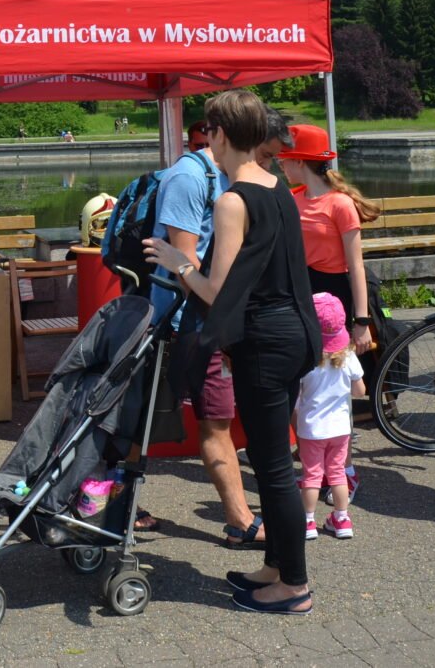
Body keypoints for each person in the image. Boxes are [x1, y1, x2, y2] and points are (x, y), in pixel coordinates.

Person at [145, 89, 320, 615]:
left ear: (220, 134)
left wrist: (178, 262)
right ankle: (276, 566)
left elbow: (216, 290)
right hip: (296, 332)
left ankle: (294, 586)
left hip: (263, 341)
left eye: (209, 133)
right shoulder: (278, 187)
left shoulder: (231, 200)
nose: (208, 142)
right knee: (270, 460)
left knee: (272, 466)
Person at [148, 121, 260, 548]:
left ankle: (238, 519)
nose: (267, 165)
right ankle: (112, 501)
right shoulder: (190, 178)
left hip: (207, 320)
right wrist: (223, 316)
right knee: (142, 420)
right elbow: (183, 261)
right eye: (266, 154)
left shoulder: (228, 178)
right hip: (182, 323)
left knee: (216, 419)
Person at [277, 124, 378, 499]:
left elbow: (356, 265)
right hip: (299, 295)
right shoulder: (292, 198)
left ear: (300, 161)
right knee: (299, 381)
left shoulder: (340, 204)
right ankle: (313, 463)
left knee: (334, 387)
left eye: (286, 159)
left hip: (334, 297)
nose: (281, 165)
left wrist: (361, 321)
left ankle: (344, 469)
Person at [296, 293, 366, 540]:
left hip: (312, 428)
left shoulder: (305, 360)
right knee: (337, 473)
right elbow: (360, 391)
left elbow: (296, 399)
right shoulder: (348, 357)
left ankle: (307, 521)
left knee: (311, 475)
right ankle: (342, 518)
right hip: (340, 429)